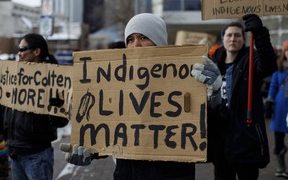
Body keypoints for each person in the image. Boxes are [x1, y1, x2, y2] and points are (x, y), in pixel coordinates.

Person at [60, 13, 222, 180]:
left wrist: (215, 94)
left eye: (143, 37)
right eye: (130, 40)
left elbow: (211, 140)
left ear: (159, 42)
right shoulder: (115, 83)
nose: (136, 45)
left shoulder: (187, 77)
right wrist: (89, 150)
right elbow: (110, 130)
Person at [192, 14, 277, 180]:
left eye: (238, 35)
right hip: (221, 139)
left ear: (244, 40)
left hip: (246, 136)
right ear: (223, 38)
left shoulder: (251, 60)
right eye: (229, 35)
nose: (233, 38)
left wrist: (260, 34)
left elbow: (268, 66)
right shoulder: (212, 62)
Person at [3, 33, 69, 180]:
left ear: (36, 52)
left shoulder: (53, 80)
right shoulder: (15, 77)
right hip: (15, 153)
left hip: (36, 155)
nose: (19, 53)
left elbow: (61, 121)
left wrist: (57, 107)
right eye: (18, 49)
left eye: (22, 49)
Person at [265, 40, 288, 178]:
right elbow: (273, 87)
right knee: (278, 141)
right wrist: (269, 102)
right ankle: (280, 166)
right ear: (284, 53)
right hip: (281, 109)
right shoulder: (279, 71)